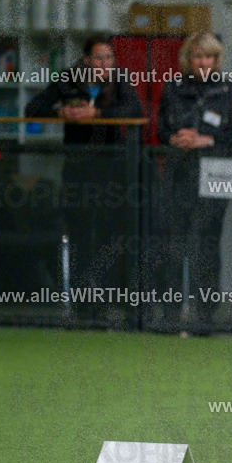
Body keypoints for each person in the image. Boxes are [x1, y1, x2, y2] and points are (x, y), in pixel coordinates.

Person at [24, 35, 143, 294]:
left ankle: (106, 293)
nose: (105, 64)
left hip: (111, 165)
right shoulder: (69, 79)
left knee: (108, 230)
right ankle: (81, 295)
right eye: (99, 58)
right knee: (79, 228)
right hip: (78, 165)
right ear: (86, 59)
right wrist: (60, 112)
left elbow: (135, 110)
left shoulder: (120, 80)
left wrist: (97, 113)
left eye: (109, 58)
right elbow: (32, 108)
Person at [156, 31, 232, 333]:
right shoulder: (173, 87)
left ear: (216, 60)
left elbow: (231, 133)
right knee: (173, 241)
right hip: (179, 170)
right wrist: (175, 138)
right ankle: (170, 313)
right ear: (188, 59)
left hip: (217, 171)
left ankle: (205, 315)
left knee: (207, 242)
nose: (203, 62)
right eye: (197, 56)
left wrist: (205, 139)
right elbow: (161, 130)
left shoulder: (229, 89)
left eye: (209, 57)